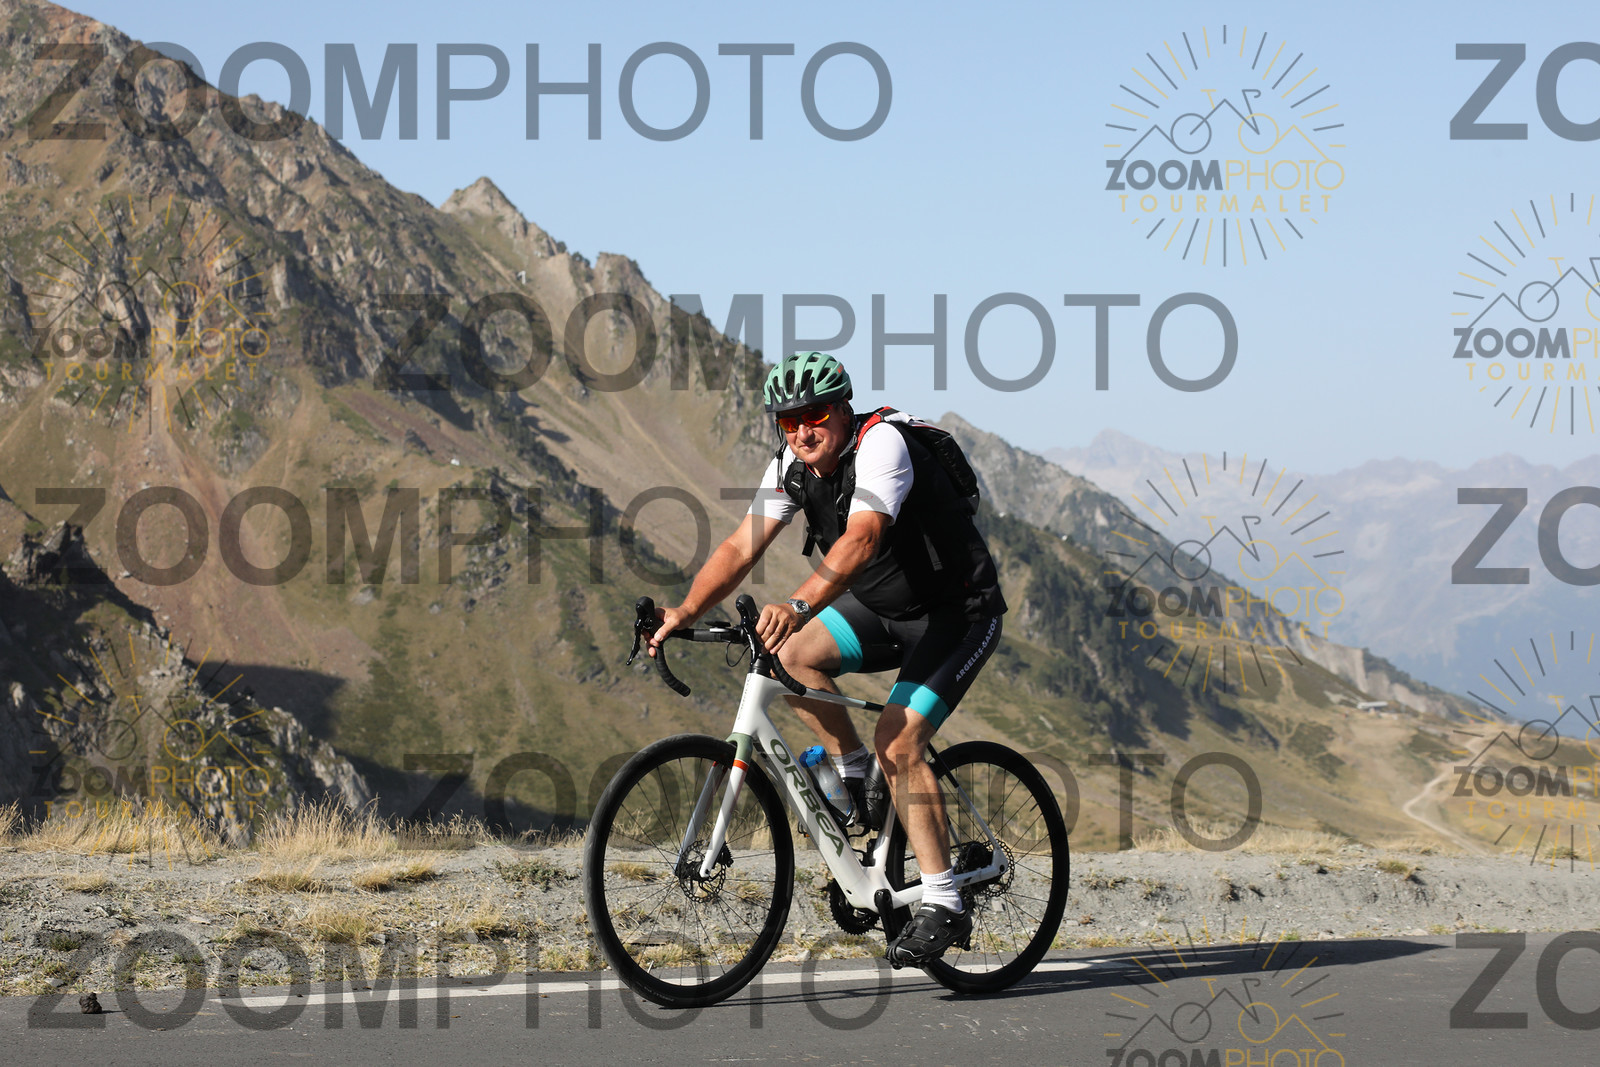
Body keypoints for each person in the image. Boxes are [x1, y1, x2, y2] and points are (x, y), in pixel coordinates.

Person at [649, 351, 1008, 965]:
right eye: (788, 422)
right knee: (789, 654)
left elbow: (863, 538)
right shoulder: (791, 468)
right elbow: (740, 547)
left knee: (900, 742)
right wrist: (684, 610)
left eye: (813, 415)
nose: (801, 431)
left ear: (843, 409)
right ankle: (856, 775)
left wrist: (798, 602)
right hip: (883, 611)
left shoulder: (882, 445)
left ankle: (945, 899)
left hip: (957, 614)